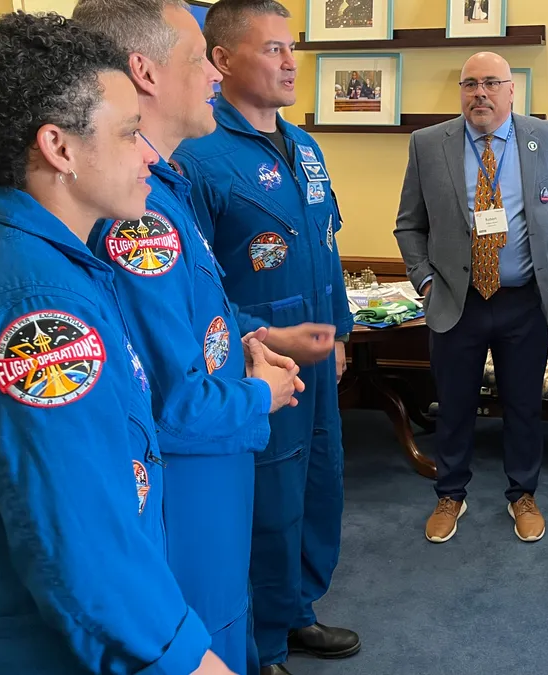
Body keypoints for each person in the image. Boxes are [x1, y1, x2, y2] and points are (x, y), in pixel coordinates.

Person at [0, 11, 234, 675]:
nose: (147, 155)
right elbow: (80, 541)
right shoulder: (38, 311)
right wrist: (185, 657)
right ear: (61, 147)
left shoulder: (20, 262)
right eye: (130, 132)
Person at [70, 1, 314, 672]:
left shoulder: (165, 186)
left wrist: (250, 339)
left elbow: (195, 321)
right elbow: (170, 401)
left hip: (218, 463)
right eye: (200, 57)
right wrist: (260, 391)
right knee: (204, 637)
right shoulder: (137, 213)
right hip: (188, 483)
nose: (215, 71)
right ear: (144, 71)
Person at [173, 1, 357, 673]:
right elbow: (194, 282)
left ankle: (298, 610)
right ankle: (262, 641)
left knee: (319, 485)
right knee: (265, 504)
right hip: (256, 364)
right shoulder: (195, 158)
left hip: (314, 357)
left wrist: (338, 333)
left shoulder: (305, 146)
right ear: (221, 62)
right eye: (272, 49)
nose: (289, 62)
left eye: (292, 47)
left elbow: (325, 247)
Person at [393, 51, 548, 545]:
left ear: (510, 90)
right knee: (453, 404)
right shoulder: (427, 144)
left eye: (490, 83)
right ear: (460, 91)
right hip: (456, 301)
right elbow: (409, 223)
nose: (479, 93)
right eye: (469, 84)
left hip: (523, 300)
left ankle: (522, 494)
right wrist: (423, 280)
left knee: (523, 405)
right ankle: (450, 493)